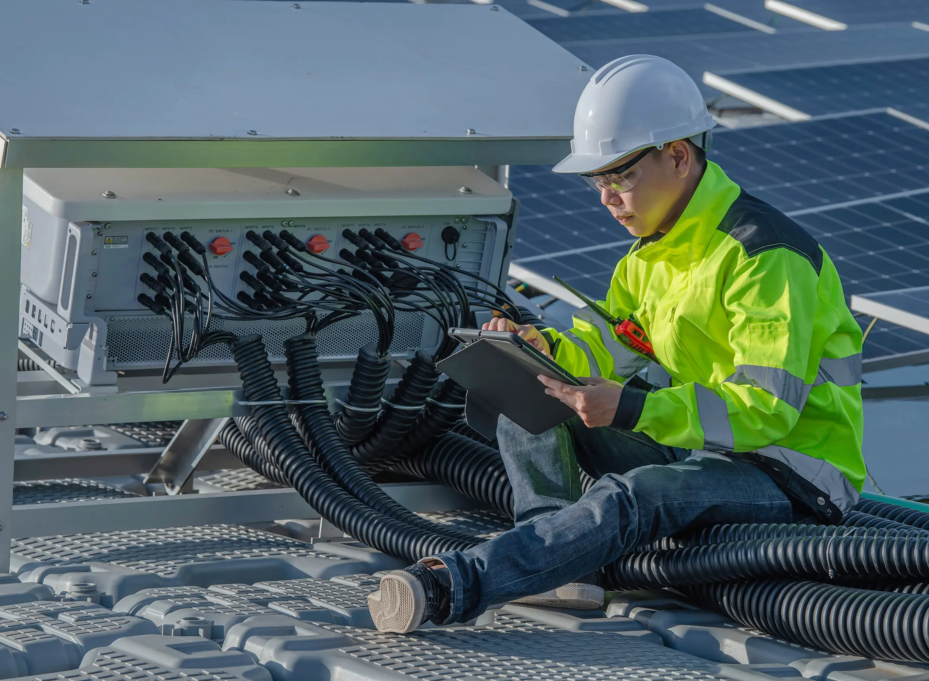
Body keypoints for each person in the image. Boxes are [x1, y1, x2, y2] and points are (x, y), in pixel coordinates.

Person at [367, 54, 866, 633]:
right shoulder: (649, 256)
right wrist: (542, 350)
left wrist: (631, 407)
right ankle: (560, 566)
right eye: (597, 180)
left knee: (636, 495)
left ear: (678, 156)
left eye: (620, 175)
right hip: (705, 450)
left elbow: (765, 413)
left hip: (791, 473)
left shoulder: (765, 258)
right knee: (530, 398)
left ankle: (455, 585)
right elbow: (607, 343)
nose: (607, 197)